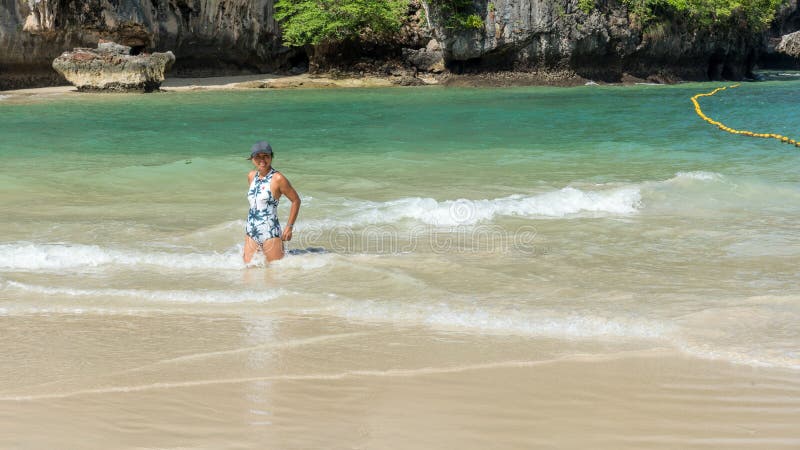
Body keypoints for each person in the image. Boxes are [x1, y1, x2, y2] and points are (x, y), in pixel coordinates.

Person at [243, 141, 301, 263]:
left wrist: (289, 227)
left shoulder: (278, 178)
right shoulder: (251, 176)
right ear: (252, 158)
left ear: (271, 157)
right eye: (258, 156)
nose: (262, 160)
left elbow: (296, 200)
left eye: (266, 156)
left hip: (270, 232)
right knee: (248, 272)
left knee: (275, 273)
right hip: (251, 230)